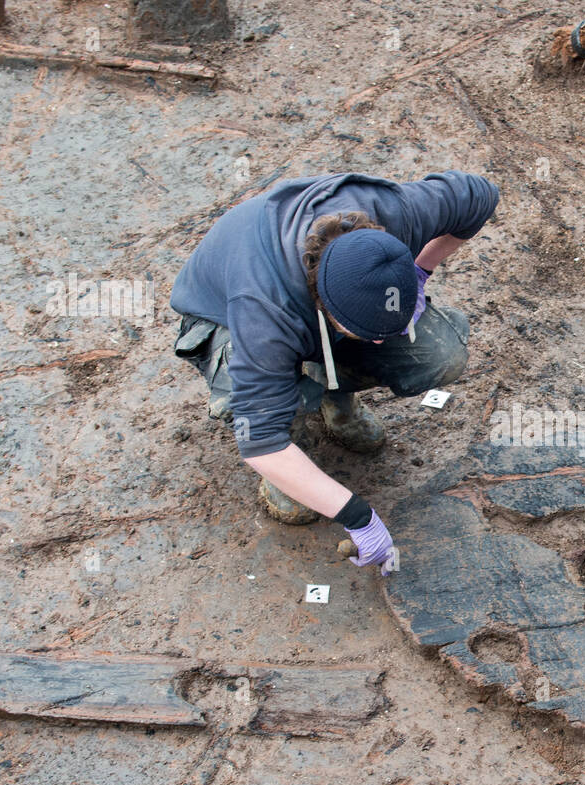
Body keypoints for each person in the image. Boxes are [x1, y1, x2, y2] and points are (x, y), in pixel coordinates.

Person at [170, 170, 499, 572]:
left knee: (438, 353)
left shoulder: (399, 210)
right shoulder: (265, 316)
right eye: (366, 333)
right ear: (325, 305)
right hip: (222, 318)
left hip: (323, 304)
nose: (380, 343)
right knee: (270, 409)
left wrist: (420, 270)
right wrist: (359, 517)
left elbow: (481, 196)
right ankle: (299, 430)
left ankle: (335, 395)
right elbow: (261, 444)